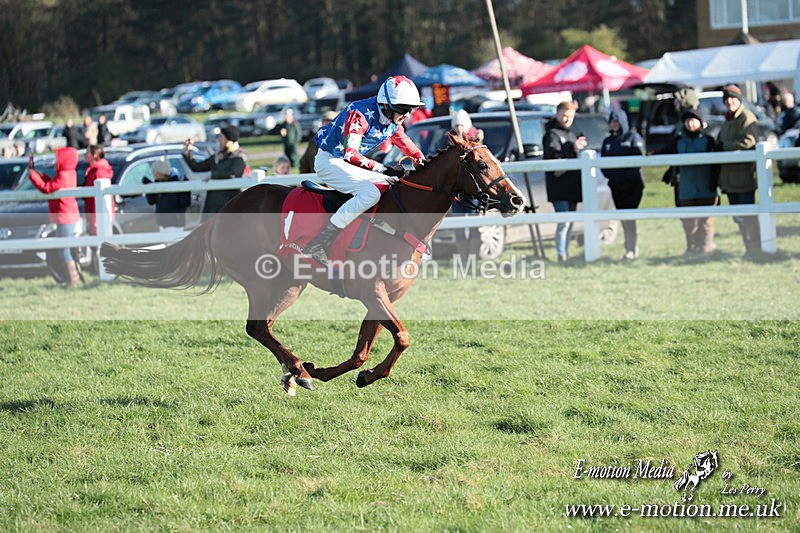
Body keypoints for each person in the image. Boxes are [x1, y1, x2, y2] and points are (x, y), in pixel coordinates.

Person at [303, 75, 426, 264]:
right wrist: (383, 169)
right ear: (386, 106)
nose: (407, 115)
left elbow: (402, 139)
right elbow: (350, 155)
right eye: (403, 109)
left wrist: (420, 159)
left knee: (394, 184)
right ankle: (319, 242)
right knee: (371, 194)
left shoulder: (392, 119)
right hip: (330, 160)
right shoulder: (359, 114)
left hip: (346, 162)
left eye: (411, 109)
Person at [667, 108, 719, 255]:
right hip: (686, 187)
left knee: (706, 220)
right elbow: (667, 152)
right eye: (687, 121)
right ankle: (692, 247)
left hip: (706, 186)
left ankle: (706, 247)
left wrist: (715, 183)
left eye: (694, 120)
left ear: (700, 122)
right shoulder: (678, 140)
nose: (690, 124)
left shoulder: (709, 140)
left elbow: (716, 164)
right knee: (688, 221)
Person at [28, 147, 82, 287]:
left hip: (65, 215)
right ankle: (72, 279)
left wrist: (34, 176)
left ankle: (73, 280)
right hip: (67, 214)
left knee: (63, 249)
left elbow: (47, 188)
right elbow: (52, 186)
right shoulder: (69, 173)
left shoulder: (64, 174)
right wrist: (41, 176)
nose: (55, 161)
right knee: (63, 248)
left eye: (58, 159)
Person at [717, 84, 761, 255]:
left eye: (733, 98)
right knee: (738, 217)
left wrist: (724, 146)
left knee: (749, 215)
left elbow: (749, 141)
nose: (730, 102)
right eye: (727, 99)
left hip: (744, 177)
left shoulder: (746, 117)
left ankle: (757, 247)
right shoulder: (727, 120)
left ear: (739, 100)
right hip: (729, 178)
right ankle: (748, 247)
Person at [543, 101, 587, 262]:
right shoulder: (551, 134)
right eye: (564, 115)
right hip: (559, 186)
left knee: (570, 221)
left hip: (572, 185)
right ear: (557, 114)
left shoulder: (571, 134)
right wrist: (573, 147)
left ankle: (565, 252)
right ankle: (561, 254)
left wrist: (576, 147)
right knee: (564, 221)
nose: (567, 119)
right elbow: (554, 157)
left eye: (570, 116)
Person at [600, 108, 645, 260]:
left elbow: (638, 159)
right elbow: (604, 165)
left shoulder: (633, 137)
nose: (614, 124)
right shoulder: (608, 141)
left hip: (633, 185)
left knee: (629, 216)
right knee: (623, 217)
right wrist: (613, 178)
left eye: (616, 121)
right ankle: (630, 248)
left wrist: (625, 178)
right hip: (616, 186)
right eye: (611, 121)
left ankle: (631, 248)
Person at [183, 125, 247, 222]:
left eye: (222, 137)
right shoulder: (216, 157)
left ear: (229, 141)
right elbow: (197, 167)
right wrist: (187, 153)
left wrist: (212, 175)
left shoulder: (239, 157)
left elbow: (232, 174)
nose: (219, 140)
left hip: (229, 205)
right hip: (212, 205)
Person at [143, 159, 191, 232]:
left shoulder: (177, 183)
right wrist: (148, 186)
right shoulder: (158, 183)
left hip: (175, 224)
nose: (154, 175)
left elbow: (185, 202)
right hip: (162, 224)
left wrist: (184, 190)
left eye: (155, 172)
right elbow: (151, 201)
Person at [83, 145, 114, 236]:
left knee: (100, 237)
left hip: (97, 212)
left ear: (95, 155)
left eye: (87, 152)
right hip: (93, 211)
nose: (85, 155)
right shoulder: (92, 170)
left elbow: (98, 197)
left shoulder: (99, 172)